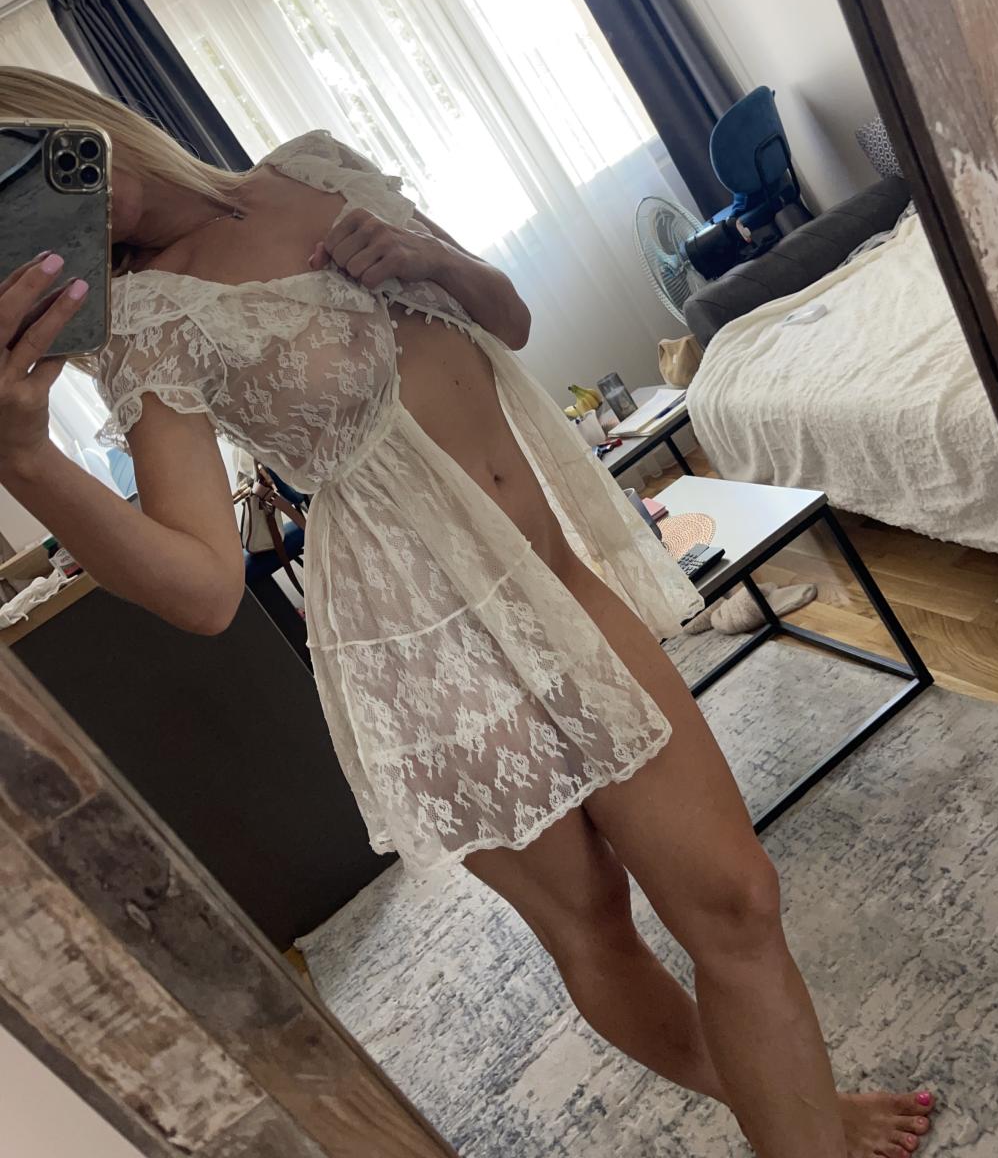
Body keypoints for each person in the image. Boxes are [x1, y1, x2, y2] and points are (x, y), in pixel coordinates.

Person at [0, 67, 934, 1158]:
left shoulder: (315, 164)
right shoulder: (143, 319)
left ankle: (800, 1113)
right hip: (424, 652)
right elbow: (206, 591)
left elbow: (511, 319)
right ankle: (801, 1123)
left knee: (737, 900)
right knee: (597, 929)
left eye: (12, 161)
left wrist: (430, 261)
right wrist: (24, 459)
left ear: (56, 116)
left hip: (556, 583)